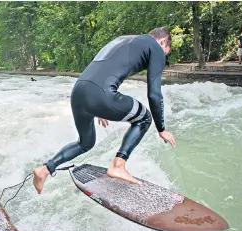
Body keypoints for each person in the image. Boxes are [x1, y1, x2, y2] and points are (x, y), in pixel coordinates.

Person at [33, 27, 177, 196]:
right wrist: (162, 129)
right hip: (100, 94)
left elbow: (104, 70)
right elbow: (154, 93)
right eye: (165, 53)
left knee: (85, 143)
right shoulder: (155, 47)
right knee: (144, 118)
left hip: (79, 91)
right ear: (163, 41)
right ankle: (118, 165)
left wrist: (100, 108)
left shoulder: (123, 39)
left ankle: (45, 169)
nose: (163, 57)